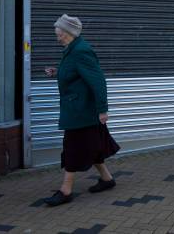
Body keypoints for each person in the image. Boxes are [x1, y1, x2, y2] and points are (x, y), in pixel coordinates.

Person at [43, 14, 120, 207]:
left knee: (72, 148)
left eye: (58, 31)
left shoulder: (81, 51)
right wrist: (57, 72)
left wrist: (103, 109)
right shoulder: (71, 50)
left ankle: (66, 190)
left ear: (67, 32)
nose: (56, 34)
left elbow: (98, 81)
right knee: (92, 146)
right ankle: (107, 179)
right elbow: (74, 74)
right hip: (77, 109)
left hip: (82, 111)